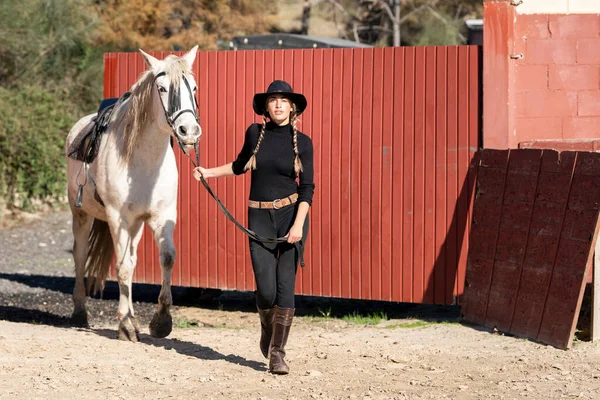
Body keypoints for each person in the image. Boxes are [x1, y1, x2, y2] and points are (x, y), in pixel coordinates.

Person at [193, 80, 315, 375]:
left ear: (292, 106)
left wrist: (298, 226)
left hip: (291, 218)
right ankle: (266, 324)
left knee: (286, 286)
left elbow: (307, 188)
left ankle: (278, 353)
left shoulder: (304, 142)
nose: (278, 105)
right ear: (266, 107)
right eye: (273, 100)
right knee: (265, 291)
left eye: (283, 100)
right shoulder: (255, 134)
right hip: (259, 218)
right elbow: (239, 166)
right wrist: (207, 172)